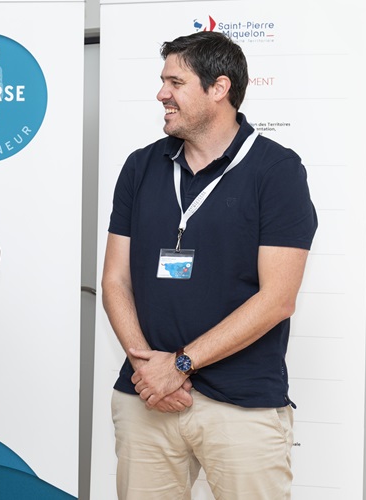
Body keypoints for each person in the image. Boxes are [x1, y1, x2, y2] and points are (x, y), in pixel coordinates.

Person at [101, 30, 318, 500]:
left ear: (219, 88)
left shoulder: (276, 171)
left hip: (241, 405)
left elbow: (278, 299)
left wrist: (179, 365)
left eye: (175, 82)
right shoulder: (140, 167)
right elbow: (115, 279)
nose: (162, 93)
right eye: (163, 81)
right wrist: (148, 369)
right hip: (146, 398)